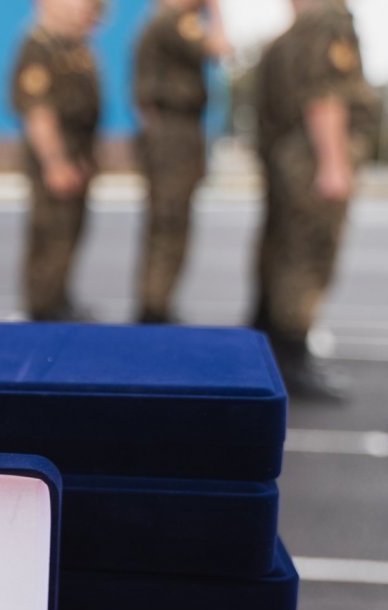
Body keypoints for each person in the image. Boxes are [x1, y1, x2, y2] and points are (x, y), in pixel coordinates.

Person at [252, 0, 374, 400]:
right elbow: (325, 93)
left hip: (289, 155)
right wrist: (334, 163)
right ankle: (291, 358)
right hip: (312, 157)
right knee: (308, 256)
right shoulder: (329, 19)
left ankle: (270, 345)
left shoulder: (287, 36)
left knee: (283, 251)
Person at [132, 0, 229, 324]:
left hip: (174, 131)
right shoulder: (174, 21)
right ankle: (154, 309)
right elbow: (218, 47)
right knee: (169, 223)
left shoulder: (162, 22)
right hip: (172, 133)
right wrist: (215, 11)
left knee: (169, 223)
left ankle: (157, 304)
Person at [8, 0, 101, 322]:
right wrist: (55, 162)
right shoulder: (38, 48)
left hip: (77, 154)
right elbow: (39, 113)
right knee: (50, 235)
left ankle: (59, 301)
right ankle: (43, 312)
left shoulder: (72, 46)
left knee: (68, 235)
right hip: (55, 157)